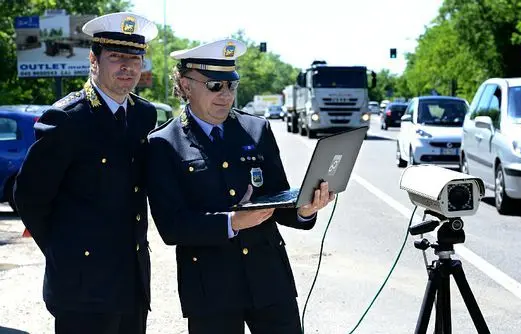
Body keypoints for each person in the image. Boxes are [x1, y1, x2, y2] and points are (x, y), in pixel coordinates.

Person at [145, 38, 335, 334]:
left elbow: (278, 200)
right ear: (185, 85)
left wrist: (305, 210)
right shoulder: (163, 143)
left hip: (269, 280)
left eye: (231, 85)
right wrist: (233, 222)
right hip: (211, 289)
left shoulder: (257, 129)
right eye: (214, 86)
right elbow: (171, 226)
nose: (225, 95)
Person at [13, 12, 158, 334]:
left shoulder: (143, 115)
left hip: (131, 279)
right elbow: (29, 197)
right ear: (94, 60)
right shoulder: (67, 118)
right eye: (116, 57)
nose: (127, 67)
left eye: (135, 58)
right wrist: (65, 250)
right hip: (81, 285)